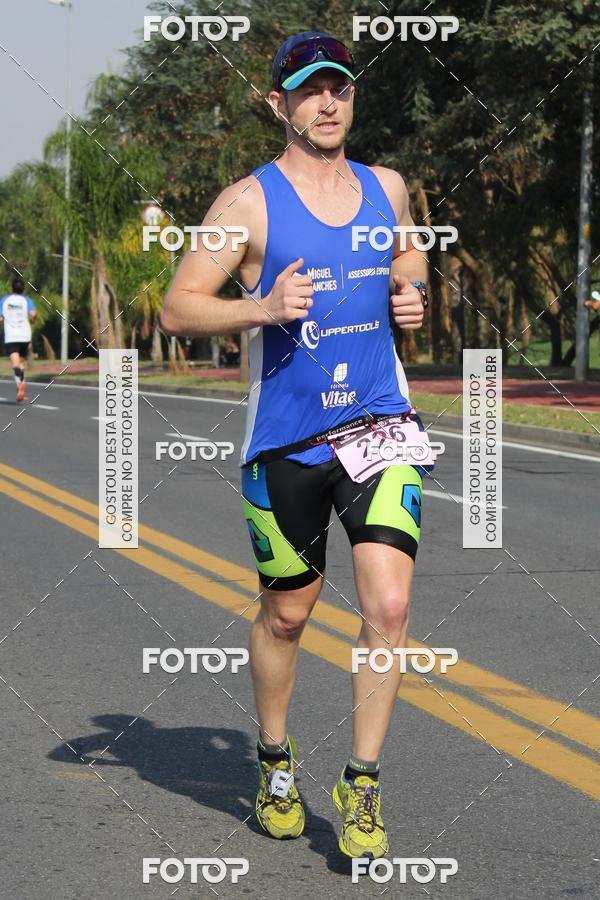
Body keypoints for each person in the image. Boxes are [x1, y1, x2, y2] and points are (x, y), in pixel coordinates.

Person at [160, 30, 428, 860]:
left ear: (351, 97)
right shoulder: (246, 203)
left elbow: (410, 250)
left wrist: (410, 290)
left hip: (380, 425)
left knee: (387, 607)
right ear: (280, 103)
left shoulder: (387, 184)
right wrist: (264, 309)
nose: (326, 102)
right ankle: (275, 762)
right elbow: (177, 308)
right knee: (287, 614)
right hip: (286, 441)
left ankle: (364, 783)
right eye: (310, 89)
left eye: (339, 88)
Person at [0, 275, 37, 402]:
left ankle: (21, 381)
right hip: (25, 335)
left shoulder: (4, 300)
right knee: (21, 362)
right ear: (23, 288)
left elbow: (0, 318)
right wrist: (33, 320)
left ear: (12, 288)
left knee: (15, 364)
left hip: (11, 336)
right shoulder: (27, 300)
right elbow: (33, 315)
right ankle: (20, 387)